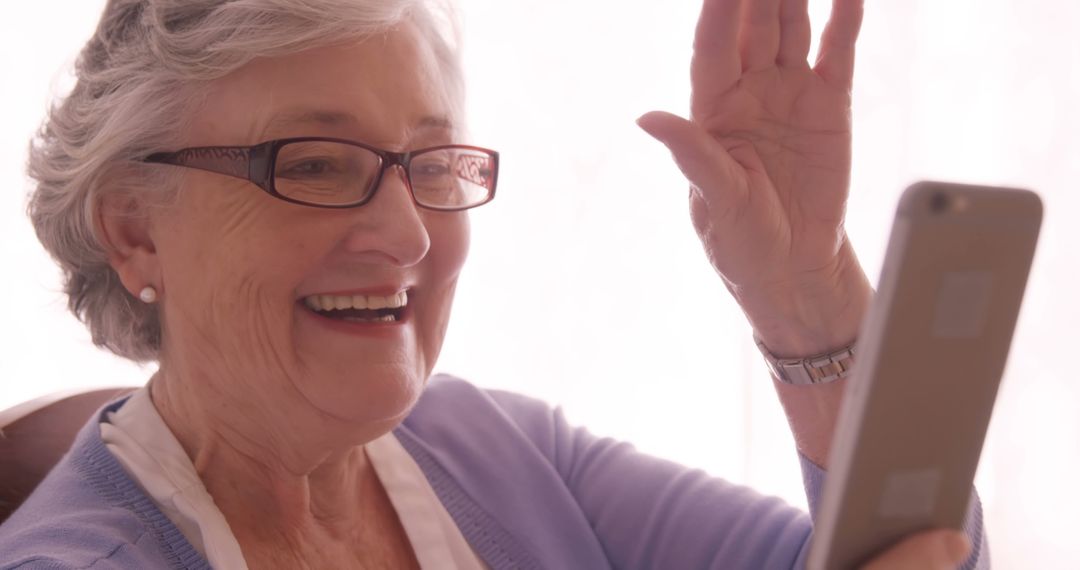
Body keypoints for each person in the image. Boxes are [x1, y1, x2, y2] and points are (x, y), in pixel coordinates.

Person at [0, 0, 986, 568]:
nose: (405, 234)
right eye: (313, 164)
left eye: (431, 164)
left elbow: (919, 557)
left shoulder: (500, 447)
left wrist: (802, 291)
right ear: (134, 230)